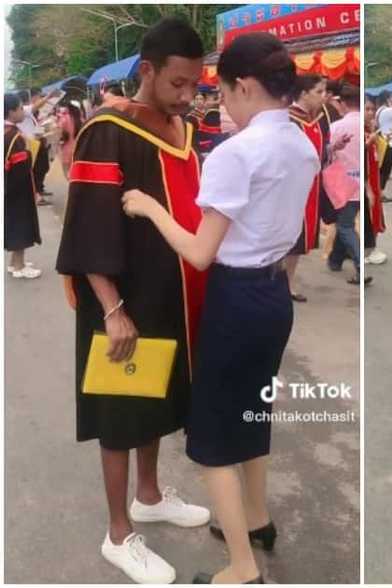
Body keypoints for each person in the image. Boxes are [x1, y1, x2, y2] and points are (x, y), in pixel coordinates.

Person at [120, 32, 318, 584]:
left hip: (235, 298)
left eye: (223, 91)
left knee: (210, 440)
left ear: (246, 85)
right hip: (274, 296)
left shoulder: (238, 151)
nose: (218, 103)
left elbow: (200, 252)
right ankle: (256, 518)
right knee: (253, 413)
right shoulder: (303, 142)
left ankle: (241, 566)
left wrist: (151, 208)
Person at [55, 18, 213, 584]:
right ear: (146, 71)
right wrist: (112, 309)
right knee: (120, 414)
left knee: (156, 401)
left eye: (195, 84)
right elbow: (88, 226)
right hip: (120, 300)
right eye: (178, 83)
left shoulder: (179, 128)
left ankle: (149, 494)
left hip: (165, 294)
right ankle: (119, 533)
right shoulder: (108, 130)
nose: (188, 95)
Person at [285, 74, 332, 303]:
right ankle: (275, 282)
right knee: (284, 236)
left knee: (299, 241)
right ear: (303, 93)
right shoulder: (288, 119)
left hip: (312, 186)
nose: (324, 97)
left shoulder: (321, 119)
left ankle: (288, 284)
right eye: (319, 92)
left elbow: (322, 153)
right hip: (289, 187)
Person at [325, 84, 364, 285]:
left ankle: (360, 267)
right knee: (345, 222)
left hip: (342, 183)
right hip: (360, 183)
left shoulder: (336, 127)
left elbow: (326, 152)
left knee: (345, 225)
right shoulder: (365, 125)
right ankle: (335, 260)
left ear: (343, 104)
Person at [5, 92, 42, 279]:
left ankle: (14, 262)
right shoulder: (13, 136)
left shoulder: (6, 132)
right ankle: (19, 266)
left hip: (8, 189)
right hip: (18, 190)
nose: (22, 111)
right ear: (11, 112)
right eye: (20, 108)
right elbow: (20, 166)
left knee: (13, 223)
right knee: (20, 224)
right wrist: (30, 153)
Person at [364, 97, 387, 266]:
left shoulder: (370, 130)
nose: (370, 113)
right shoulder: (362, 132)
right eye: (367, 109)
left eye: (372, 109)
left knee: (376, 211)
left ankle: (371, 248)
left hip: (374, 176)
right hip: (366, 179)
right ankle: (367, 251)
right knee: (369, 213)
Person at [57, 98, 84, 178]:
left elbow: (59, 133)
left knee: (68, 173)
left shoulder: (64, 119)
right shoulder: (81, 120)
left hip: (66, 150)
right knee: (78, 173)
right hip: (79, 149)